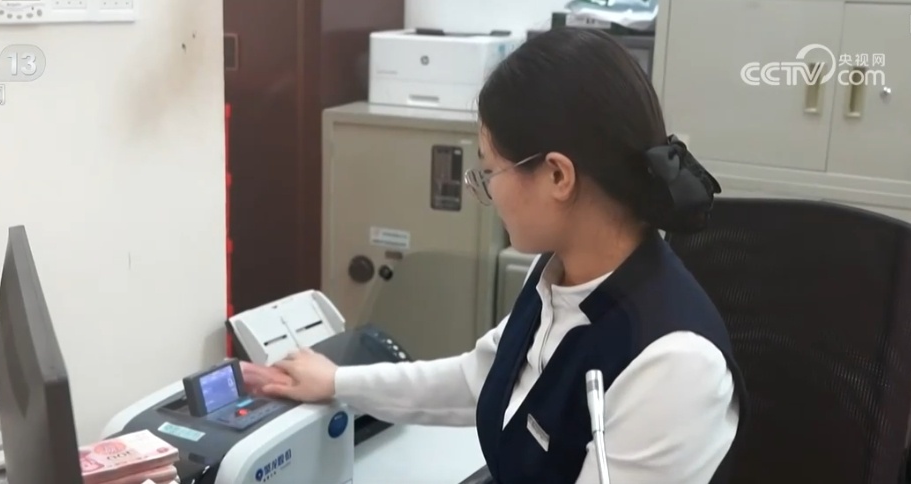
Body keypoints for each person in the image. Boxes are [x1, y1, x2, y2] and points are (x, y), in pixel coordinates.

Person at [243, 27, 748, 484]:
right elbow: (482, 379)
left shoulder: (673, 365)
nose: (485, 191)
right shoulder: (555, 272)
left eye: (490, 171)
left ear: (557, 176)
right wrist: (336, 382)